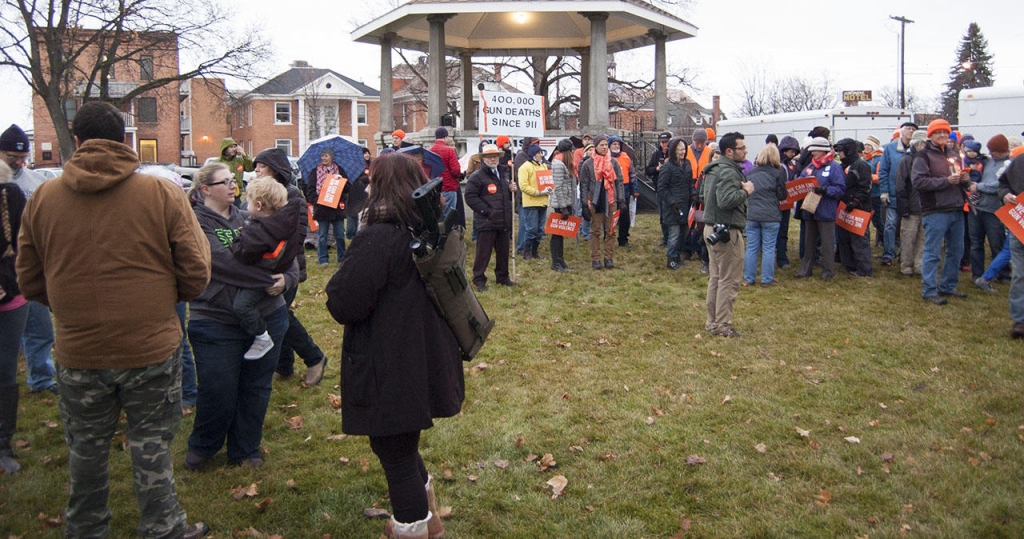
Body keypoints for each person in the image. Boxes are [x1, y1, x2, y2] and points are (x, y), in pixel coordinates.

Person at [16, 101, 211, 538]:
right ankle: (161, 526)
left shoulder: (43, 199)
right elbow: (196, 270)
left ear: (78, 141)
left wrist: (72, 306)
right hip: (150, 347)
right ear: (124, 139)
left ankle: (86, 528)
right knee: (151, 445)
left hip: (78, 349)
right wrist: (155, 302)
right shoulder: (161, 194)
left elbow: (28, 277)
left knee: (84, 448)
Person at [325, 152, 463, 539]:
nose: (366, 185)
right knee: (401, 443)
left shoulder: (380, 237)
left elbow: (344, 302)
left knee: (395, 451)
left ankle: (412, 529)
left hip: (391, 361)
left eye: (371, 178)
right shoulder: (427, 229)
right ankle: (428, 521)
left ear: (383, 185)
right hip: (421, 354)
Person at [183, 162, 295, 472]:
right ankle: (204, 445)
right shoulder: (194, 223)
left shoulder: (252, 217)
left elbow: (289, 254)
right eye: (224, 182)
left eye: (234, 180)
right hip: (215, 318)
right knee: (218, 388)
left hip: (268, 317)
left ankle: (245, 449)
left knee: (256, 388)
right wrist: (265, 278)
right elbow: (221, 263)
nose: (234, 185)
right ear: (205, 188)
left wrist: (287, 279)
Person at [252, 148, 328, 385]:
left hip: (286, 267)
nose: (256, 171)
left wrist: (282, 268)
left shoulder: (291, 195)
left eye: (261, 166)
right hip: (265, 266)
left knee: (281, 314)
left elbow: (294, 236)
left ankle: (314, 358)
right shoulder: (258, 193)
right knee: (273, 314)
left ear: (274, 170)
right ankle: (284, 366)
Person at [0, 124, 58, 395]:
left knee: (40, 328)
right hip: (6, 268)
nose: (17, 162)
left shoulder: (36, 182)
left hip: (33, 264)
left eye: (21, 157)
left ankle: (42, 378)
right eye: (11, 156)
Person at [230, 177, 301, 360]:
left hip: (262, 277)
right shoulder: (285, 222)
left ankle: (261, 335)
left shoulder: (262, 231)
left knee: (242, 305)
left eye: (249, 203)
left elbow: (242, 253)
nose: (247, 208)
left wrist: (238, 239)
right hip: (275, 270)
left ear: (259, 206)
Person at [912, 118, 971, 305]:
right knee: (933, 251)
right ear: (931, 135)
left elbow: (963, 181)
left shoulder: (954, 153)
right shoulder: (923, 156)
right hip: (935, 210)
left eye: (945, 132)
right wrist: (946, 181)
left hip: (956, 208)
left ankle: (948, 285)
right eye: (938, 132)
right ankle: (929, 290)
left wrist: (965, 179)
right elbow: (919, 182)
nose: (943, 135)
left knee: (956, 250)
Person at [700, 132, 754, 337]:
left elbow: (705, 196)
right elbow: (726, 200)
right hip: (726, 232)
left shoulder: (713, 170)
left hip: (711, 228)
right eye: (742, 148)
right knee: (728, 280)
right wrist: (746, 191)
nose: (746, 151)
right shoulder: (729, 172)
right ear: (729, 151)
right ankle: (722, 324)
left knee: (716, 278)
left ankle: (712, 321)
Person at [0, 159, 28, 474]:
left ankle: (2, 445)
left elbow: (25, 245)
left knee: (5, 372)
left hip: (10, 294)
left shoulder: (10, 195)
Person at [464, 143, 516, 291]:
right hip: (487, 221)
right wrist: (486, 212)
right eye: (489, 156)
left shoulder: (505, 174)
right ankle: (479, 279)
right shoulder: (477, 177)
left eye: (495, 156)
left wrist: (511, 190)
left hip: (503, 220)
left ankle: (503, 277)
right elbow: (470, 197)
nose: (493, 159)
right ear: (484, 159)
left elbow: (505, 195)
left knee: (503, 252)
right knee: (483, 253)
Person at [795, 137, 847, 281]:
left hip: (826, 210)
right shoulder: (810, 167)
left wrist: (824, 190)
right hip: (810, 209)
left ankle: (828, 271)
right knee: (809, 242)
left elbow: (840, 189)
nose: (813, 154)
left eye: (816, 150)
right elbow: (800, 180)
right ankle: (805, 269)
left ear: (824, 151)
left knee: (827, 243)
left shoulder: (834, 167)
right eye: (811, 151)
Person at [742, 145, 787, 286]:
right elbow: (782, 195)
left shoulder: (751, 172)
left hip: (753, 214)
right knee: (768, 248)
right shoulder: (777, 173)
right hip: (771, 215)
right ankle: (767, 279)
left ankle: (749, 278)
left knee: (751, 247)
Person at [968, 135, 1011, 280]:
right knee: (976, 243)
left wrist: (978, 186)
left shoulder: (1008, 165)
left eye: (994, 151)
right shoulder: (987, 161)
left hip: (994, 210)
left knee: (996, 244)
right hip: (978, 208)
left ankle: (1003, 274)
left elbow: (998, 185)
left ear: (1002, 151)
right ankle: (977, 273)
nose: (991, 153)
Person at [580, 135, 624, 270]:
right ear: (596, 146)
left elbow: (619, 182)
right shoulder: (588, 164)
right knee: (596, 231)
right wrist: (584, 204)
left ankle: (609, 257)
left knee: (611, 230)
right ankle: (596, 258)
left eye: (606, 145)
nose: (605, 147)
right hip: (595, 200)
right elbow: (584, 185)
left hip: (611, 200)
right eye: (602, 145)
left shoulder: (613, 162)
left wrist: (621, 200)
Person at [879, 122, 918, 265]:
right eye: (908, 129)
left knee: (907, 227)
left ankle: (905, 254)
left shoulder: (917, 150)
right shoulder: (890, 149)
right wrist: (884, 191)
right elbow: (883, 171)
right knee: (890, 224)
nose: (911, 131)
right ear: (901, 131)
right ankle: (888, 253)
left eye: (914, 129)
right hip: (893, 193)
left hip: (910, 197)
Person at [834, 138, 874, 277]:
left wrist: (855, 202)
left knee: (859, 240)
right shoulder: (842, 166)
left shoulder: (861, 166)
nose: (839, 154)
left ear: (849, 151)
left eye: (841, 151)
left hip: (859, 209)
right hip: (843, 207)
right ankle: (849, 265)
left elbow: (865, 188)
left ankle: (864, 269)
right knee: (843, 238)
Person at [997, 150, 1024, 337]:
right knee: (1020, 274)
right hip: (1020, 225)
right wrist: (1005, 195)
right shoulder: (1020, 161)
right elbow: (1003, 184)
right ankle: (1020, 321)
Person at [895, 129, 929, 276]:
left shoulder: (928, 159)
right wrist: (904, 208)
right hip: (911, 207)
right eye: (925, 144)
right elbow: (900, 185)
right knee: (909, 238)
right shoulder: (906, 160)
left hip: (927, 207)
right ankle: (906, 266)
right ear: (918, 144)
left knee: (923, 238)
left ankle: (919, 264)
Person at [307, 148, 349, 265]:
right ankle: (323, 259)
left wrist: (340, 192)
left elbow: (347, 187)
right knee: (322, 235)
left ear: (332, 157)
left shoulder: (339, 170)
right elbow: (309, 189)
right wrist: (317, 200)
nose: (324, 158)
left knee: (340, 235)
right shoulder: (315, 171)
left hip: (336, 209)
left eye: (326, 156)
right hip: (322, 208)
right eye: (322, 156)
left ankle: (342, 258)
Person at [656, 137, 693, 270]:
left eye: (684, 149)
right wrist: (671, 202)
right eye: (680, 150)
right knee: (674, 233)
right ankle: (671, 258)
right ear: (674, 151)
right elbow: (662, 188)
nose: (683, 152)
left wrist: (693, 194)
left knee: (684, 232)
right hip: (672, 207)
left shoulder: (687, 164)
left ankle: (677, 255)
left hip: (685, 204)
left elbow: (690, 182)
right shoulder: (668, 167)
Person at [686, 128, 715, 272]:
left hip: (703, 189)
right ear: (693, 141)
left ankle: (700, 249)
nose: (699, 146)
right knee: (689, 222)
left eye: (702, 143)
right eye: (697, 143)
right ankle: (688, 249)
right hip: (689, 187)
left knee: (702, 224)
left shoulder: (711, 152)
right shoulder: (686, 151)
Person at [518, 143, 552, 261]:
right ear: (533, 154)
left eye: (541, 152)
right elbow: (523, 186)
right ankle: (526, 251)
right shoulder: (525, 167)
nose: (540, 155)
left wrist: (550, 188)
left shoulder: (543, 166)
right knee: (531, 229)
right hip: (531, 203)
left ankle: (534, 251)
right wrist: (537, 192)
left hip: (543, 202)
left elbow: (548, 181)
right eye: (538, 153)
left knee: (540, 230)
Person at [548, 139, 577, 272]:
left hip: (566, 201)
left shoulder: (565, 163)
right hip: (561, 204)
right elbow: (558, 187)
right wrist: (563, 207)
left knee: (560, 233)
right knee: (556, 233)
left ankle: (560, 260)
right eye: (572, 150)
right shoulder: (559, 164)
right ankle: (556, 262)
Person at [775, 135, 801, 269]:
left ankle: (781, 254)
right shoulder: (777, 164)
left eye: (794, 152)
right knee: (776, 230)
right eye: (791, 151)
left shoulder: (792, 165)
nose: (793, 154)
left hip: (787, 201)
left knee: (783, 230)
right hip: (777, 202)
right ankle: (778, 255)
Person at [608, 136, 637, 248]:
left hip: (625, 189)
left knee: (625, 218)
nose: (616, 146)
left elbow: (633, 174)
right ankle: (608, 238)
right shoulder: (606, 158)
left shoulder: (626, 157)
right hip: (611, 190)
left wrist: (635, 189)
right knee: (610, 217)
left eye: (618, 144)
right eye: (614, 144)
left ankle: (623, 239)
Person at [647, 132, 673, 247]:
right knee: (663, 215)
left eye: (666, 142)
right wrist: (657, 168)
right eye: (662, 142)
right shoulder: (656, 155)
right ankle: (665, 237)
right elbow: (647, 170)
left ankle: (674, 237)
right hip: (660, 189)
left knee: (672, 215)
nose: (664, 144)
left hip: (672, 190)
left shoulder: (674, 154)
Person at [430, 127, 462, 221]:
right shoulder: (449, 151)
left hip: (435, 188)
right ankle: (448, 235)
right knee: (448, 217)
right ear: (446, 137)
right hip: (449, 186)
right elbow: (456, 170)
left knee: (438, 215)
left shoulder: (430, 150)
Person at [863, 136, 885, 248]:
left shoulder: (879, 159)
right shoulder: (863, 159)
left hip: (875, 194)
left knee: (877, 220)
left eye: (869, 145)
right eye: (865, 145)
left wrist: (866, 177)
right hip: (865, 194)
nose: (866, 147)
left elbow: (880, 178)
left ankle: (885, 240)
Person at [216, 137, 254, 205]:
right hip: (223, 196)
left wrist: (244, 155)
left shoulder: (239, 160)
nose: (234, 149)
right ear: (224, 149)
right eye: (231, 147)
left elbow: (250, 168)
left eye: (235, 147)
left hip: (237, 195)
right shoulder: (218, 163)